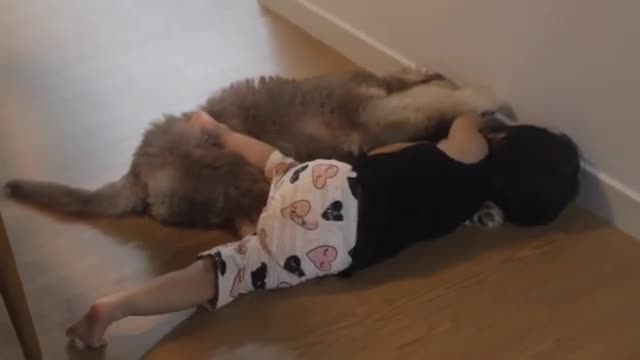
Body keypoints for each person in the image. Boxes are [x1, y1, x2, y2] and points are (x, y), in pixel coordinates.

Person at [66, 110, 580, 348]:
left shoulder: (473, 150)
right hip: (335, 246)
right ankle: (118, 308)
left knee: (277, 163)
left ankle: (220, 132)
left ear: (505, 141)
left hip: (331, 186)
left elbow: (464, 119)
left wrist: (488, 119)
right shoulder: (475, 207)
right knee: (230, 271)